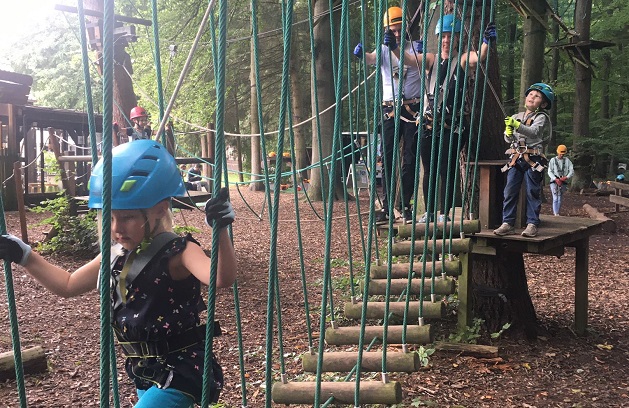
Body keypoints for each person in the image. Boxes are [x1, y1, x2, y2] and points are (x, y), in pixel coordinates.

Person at [0, 140, 237, 407]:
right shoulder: (115, 254)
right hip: (145, 372)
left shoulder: (179, 251)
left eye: (127, 217)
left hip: (182, 372)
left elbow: (220, 278)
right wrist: (26, 256)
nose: (116, 228)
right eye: (110, 217)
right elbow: (68, 285)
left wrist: (221, 231)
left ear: (160, 209)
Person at [416, 14, 495, 223]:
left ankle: (445, 212)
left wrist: (486, 42)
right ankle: (430, 211)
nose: (446, 40)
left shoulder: (460, 59)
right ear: (439, 37)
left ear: (458, 38)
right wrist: (396, 46)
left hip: (451, 127)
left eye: (451, 36)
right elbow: (408, 60)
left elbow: (479, 57)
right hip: (429, 126)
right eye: (444, 36)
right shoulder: (431, 60)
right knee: (429, 170)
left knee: (446, 169)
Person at [353, 6, 424, 224]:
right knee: (388, 159)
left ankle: (405, 204)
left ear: (406, 29)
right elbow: (371, 58)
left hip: (412, 109)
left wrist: (396, 48)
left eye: (399, 29)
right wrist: (360, 54)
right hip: (390, 109)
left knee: (410, 159)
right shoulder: (383, 50)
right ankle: (386, 206)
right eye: (392, 30)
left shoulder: (416, 48)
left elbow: (416, 62)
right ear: (386, 30)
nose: (396, 33)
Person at [494, 82, 555, 237]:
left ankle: (532, 223)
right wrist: (509, 132)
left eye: (538, 96)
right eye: (531, 94)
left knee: (532, 191)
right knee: (509, 191)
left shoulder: (542, 117)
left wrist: (516, 126)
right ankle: (507, 222)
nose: (533, 98)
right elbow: (509, 139)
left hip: (533, 158)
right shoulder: (516, 116)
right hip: (516, 157)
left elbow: (533, 132)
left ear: (544, 103)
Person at [547, 144, 574, 216]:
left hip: (563, 181)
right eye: (560, 153)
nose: (561, 155)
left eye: (563, 154)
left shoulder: (567, 161)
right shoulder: (553, 160)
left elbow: (571, 170)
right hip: (554, 181)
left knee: (560, 198)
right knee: (555, 197)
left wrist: (566, 177)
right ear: (557, 152)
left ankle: (557, 212)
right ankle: (555, 213)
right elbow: (550, 171)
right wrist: (555, 179)